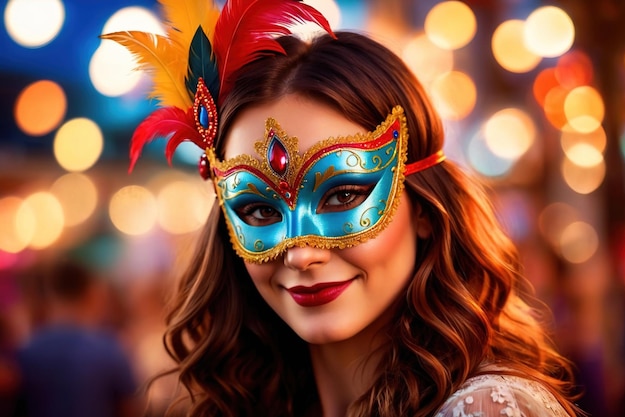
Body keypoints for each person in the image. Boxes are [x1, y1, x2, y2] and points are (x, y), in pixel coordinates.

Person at [104, 0, 583, 415]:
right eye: (259, 210)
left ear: (422, 207)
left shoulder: (487, 410)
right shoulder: (246, 402)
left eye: (343, 195)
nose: (300, 253)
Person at [15, 258, 140, 417]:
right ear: (91, 294)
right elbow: (130, 408)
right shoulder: (110, 349)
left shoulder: (27, 351)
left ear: (52, 295)